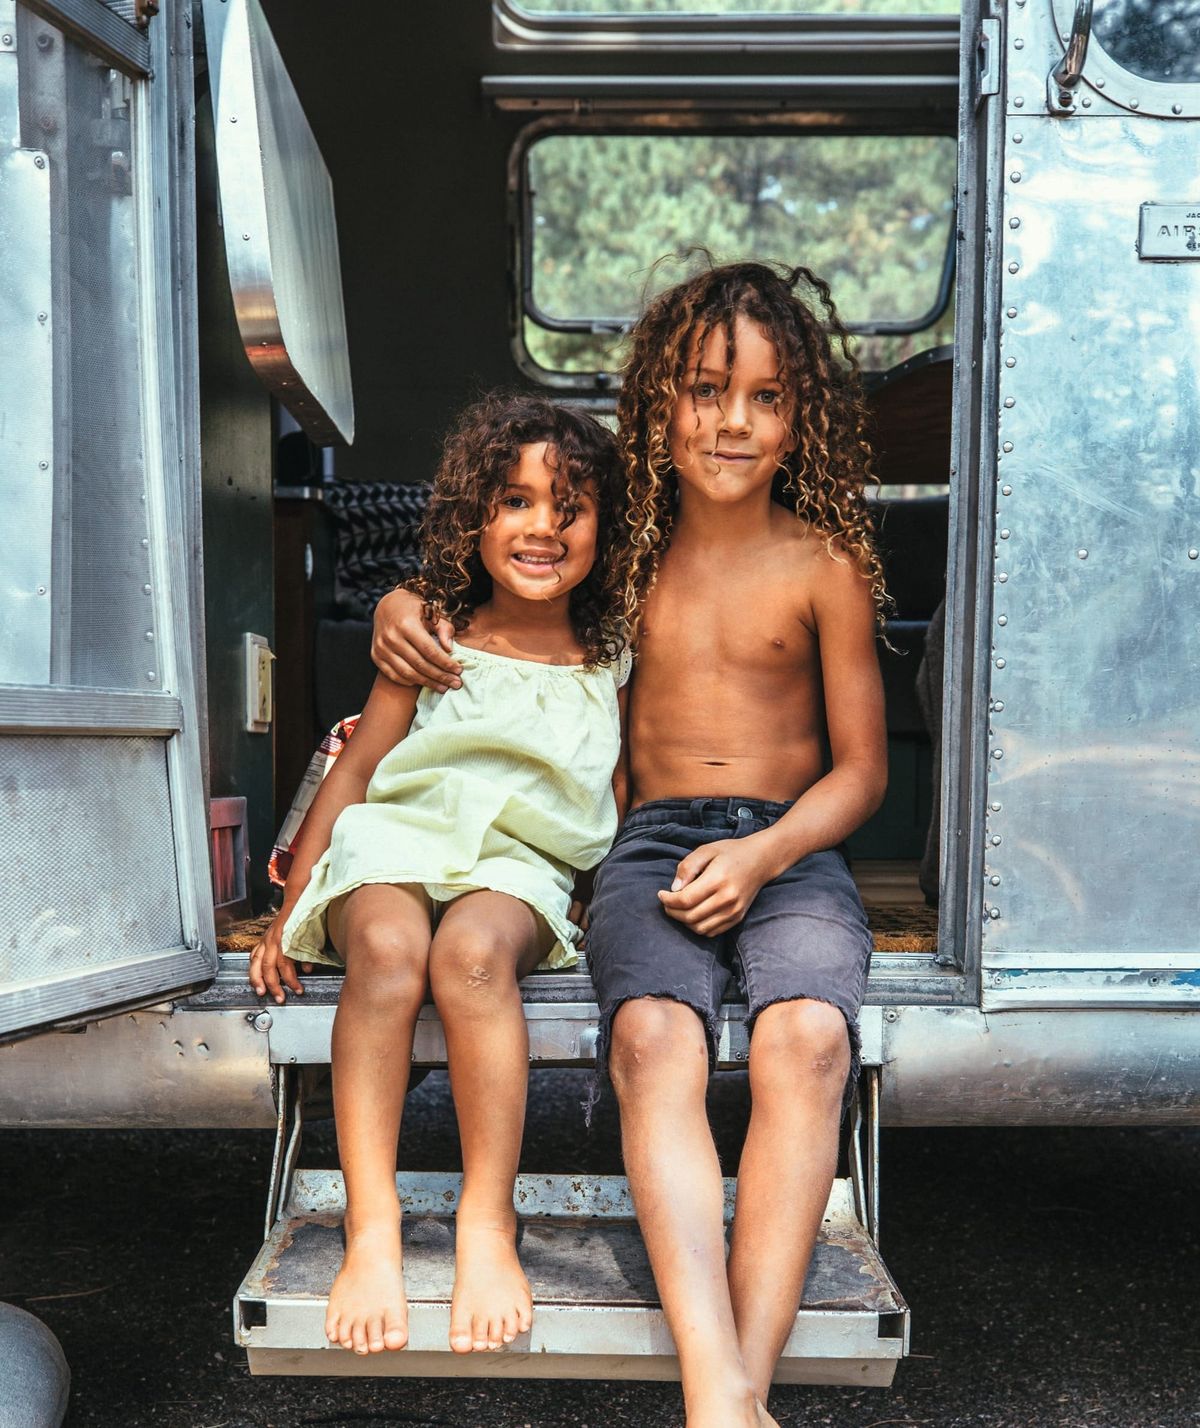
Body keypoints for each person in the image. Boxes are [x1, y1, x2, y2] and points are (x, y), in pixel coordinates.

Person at [372, 262, 889, 1428]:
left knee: (806, 1042)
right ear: (661, 400)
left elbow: (863, 769)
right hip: (647, 847)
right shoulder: (622, 553)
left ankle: (729, 1391)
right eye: (708, 390)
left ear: (799, 414)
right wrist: (397, 607)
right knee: (656, 1043)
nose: (735, 422)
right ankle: (723, 1387)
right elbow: (497, 582)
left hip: (792, 846)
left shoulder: (825, 566)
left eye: (765, 396)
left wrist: (764, 856)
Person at [251, 392, 634, 1360]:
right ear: (476, 518)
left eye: (570, 506)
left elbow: (626, 793)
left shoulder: (615, 657)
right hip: (395, 841)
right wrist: (284, 909)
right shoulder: (432, 634)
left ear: (606, 527)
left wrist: (605, 894)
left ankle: (485, 1220)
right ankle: (371, 1224)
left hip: (522, 865)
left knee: (468, 957)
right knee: (386, 949)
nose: (541, 526)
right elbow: (357, 770)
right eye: (515, 501)